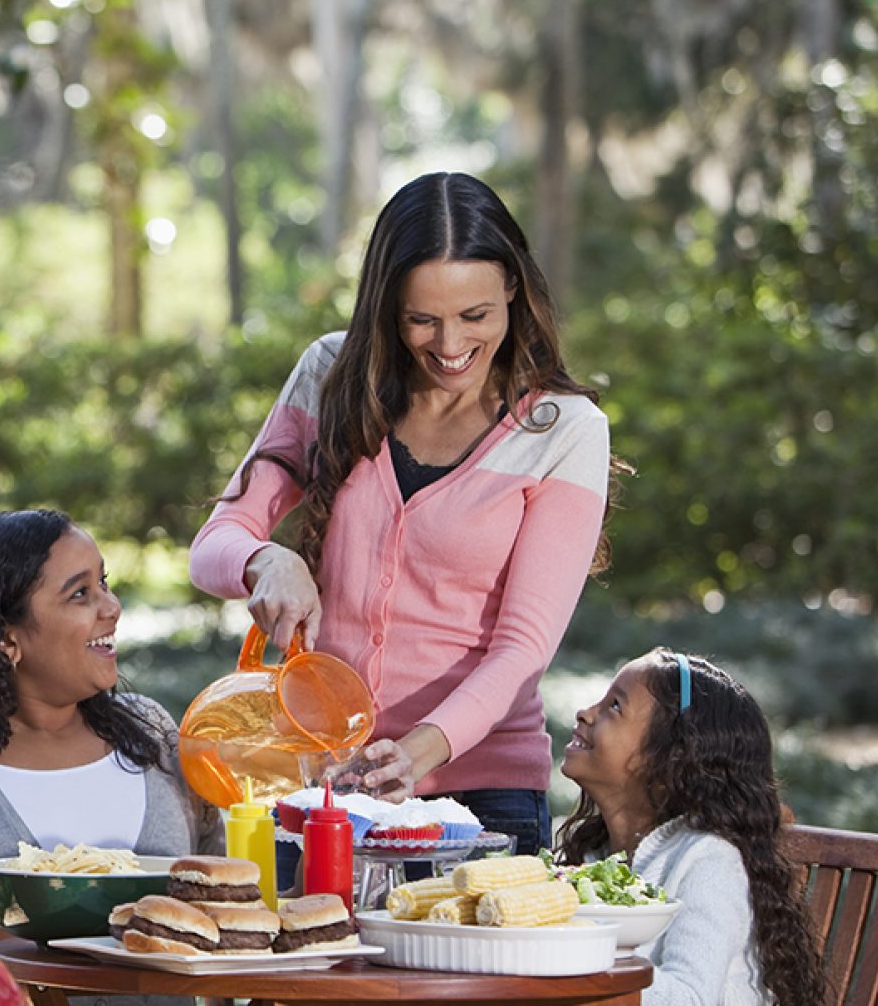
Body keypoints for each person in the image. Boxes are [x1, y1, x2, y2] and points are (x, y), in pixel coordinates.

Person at [188, 172, 615, 858]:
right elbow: (215, 543)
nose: (450, 345)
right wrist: (268, 559)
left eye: (475, 316)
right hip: (321, 789)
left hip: (479, 799)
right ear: (386, 307)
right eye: (422, 319)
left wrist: (414, 756)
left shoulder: (562, 430)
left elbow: (521, 650)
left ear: (513, 288)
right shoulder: (331, 376)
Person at [0, 509, 222, 940]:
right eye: (79, 594)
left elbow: (222, 888)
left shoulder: (149, 730)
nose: (112, 607)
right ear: (6, 638)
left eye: (103, 584)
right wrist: (33, 918)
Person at [558, 650, 827, 1005]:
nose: (585, 712)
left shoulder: (709, 861)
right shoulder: (594, 853)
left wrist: (566, 969)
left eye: (615, 706)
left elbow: (692, 998)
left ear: (669, 760)